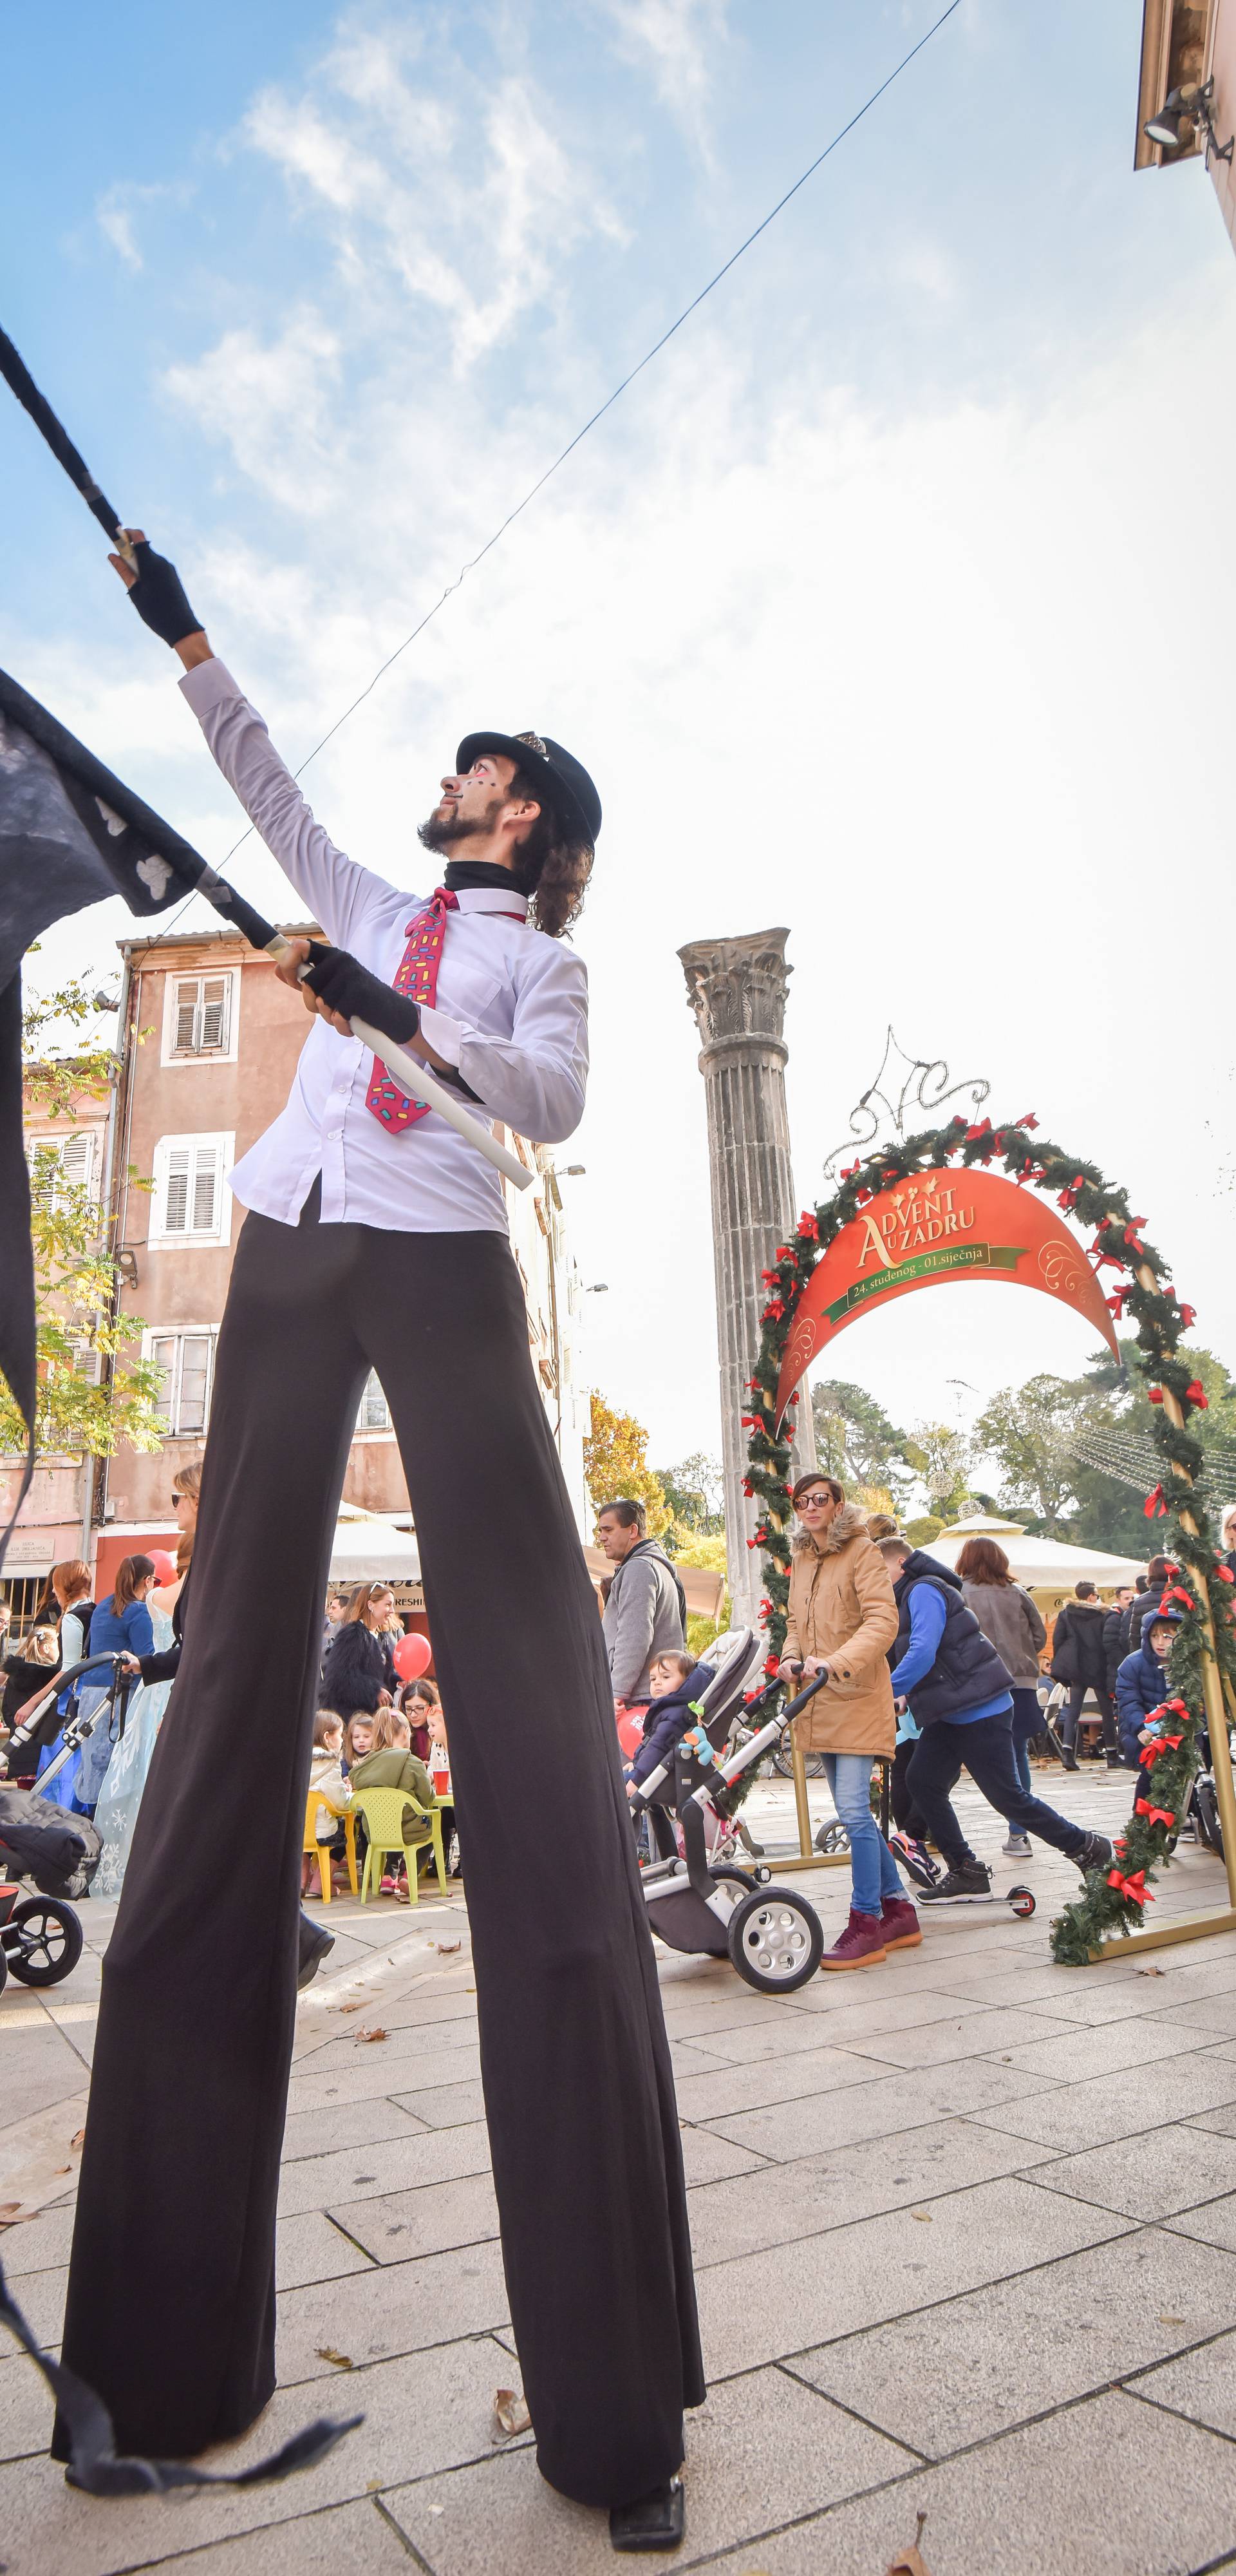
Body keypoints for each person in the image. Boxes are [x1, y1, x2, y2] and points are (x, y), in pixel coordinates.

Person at [62, 535, 700, 2544]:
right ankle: (161, 2358)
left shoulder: (542, 959)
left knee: (530, 1733)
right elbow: (264, 789)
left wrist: (395, 1023)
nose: (444, 784)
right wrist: (181, 627)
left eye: (475, 769)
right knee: (232, 1692)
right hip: (283, 1250)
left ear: (528, 816)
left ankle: (616, 2425)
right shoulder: (372, 894)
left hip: (436, 1267)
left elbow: (548, 1105)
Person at [879, 1534, 1112, 1900]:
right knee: (923, 1782)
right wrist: (905, 1693)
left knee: (1008, 1798)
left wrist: (886, 1692)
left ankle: (1087, 1847)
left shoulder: (922, 1589)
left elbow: (924, 1650)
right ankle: (966, 1870)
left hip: (979, 1707)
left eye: (878, 1571)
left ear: (898, 1565)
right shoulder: (905, 1595)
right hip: (950, 1710)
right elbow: (933, 1655)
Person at [778, 1476, 919, 1969]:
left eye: (821, 1499)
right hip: (820, 1699)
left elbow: (883, 1622)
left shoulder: (862, 1552)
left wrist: (834, 1662)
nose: (811, 1507)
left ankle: (867, 1923)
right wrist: (791, 1658)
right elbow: (795, 1624)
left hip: (855, 1694)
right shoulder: (800, 1559)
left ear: (838, 1505)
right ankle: (899, 1909)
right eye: (803, 1501)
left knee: (856, 1814)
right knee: (850, 1810)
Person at [956, 1537, 1048, 1857]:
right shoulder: (1018, 1593)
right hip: (1021, 1681)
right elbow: (1039, 1636)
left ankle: (934, 1832)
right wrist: (1021, 1655)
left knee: (966, 1754)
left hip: (979, 1682)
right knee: (1017, 1753)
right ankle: (1019, 1832)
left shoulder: (960, 1593)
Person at [597, 1499, 687, 1714]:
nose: (602, 1537)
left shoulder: (639, 1569)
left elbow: (634, 1636)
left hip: (637, 1699)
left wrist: (616, 1692)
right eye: (600, 1531)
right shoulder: (654, 1566)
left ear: (632, 1530)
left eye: (608, 1529)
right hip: (647, 1695)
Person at [349, 1703, 435, 1897]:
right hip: (409, 1830)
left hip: (375, 1831)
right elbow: (427, 1797)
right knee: (431, 1829)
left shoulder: (366, 1765)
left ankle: (388, 1877)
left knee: (397, 1821)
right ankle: (408, 1877)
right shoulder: (413, 1762)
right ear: (406, 1733)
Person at [1048, 1581, 1119, 1769]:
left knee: (1073, 1710)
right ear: (1090, 1597)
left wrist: (1062, 1665)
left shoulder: (1065, 1614)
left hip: (1076, 1666)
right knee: (1107, 1711)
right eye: (1096, 1594)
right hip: (1098, 1665)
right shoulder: (1103, 1615)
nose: (1098, 1598)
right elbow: (1107, 1641)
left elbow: (1058, 1640)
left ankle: (1067, 1753)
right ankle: (1112, 1755)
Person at [1116, 1604, 1183, 1767]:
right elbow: (1129, 1702)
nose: (1160, 1642)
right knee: (1150, 1780)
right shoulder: (1132, 1664)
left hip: (1184, 1729)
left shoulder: (1191, 1662)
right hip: (1144, 1730)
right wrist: (1142, 1728)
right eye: (1154, 1636)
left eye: (1167, 1636)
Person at [320, 1581, 398, 1719]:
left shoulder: (381, 1636)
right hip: (351, 1720)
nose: (392, 1610)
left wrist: (399, 1682)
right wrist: (374, 1691)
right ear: (370, 1605)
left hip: (370, 1719)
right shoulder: (353, 1635)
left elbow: (383, 1677)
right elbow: (338, 1679)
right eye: (388, 1604)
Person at [303, 1710, 351, 1895]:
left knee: (305, 1844)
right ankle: (319, 1884)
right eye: (340, 1735)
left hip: (299, 1830)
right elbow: (340, 1804)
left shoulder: (299, 1759)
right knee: (343, 1837)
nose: (342, 1740)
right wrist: (347, 1797)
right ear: (327, 1737)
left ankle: (301, 1881)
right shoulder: (330, 1763)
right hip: (323, 1832)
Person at [320, 1591, 349, 1673]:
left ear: (345, 1609)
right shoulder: (335, 1629)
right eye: (330, 1608)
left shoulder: (344, 1632)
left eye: (334, 1608)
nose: (330, 1611)